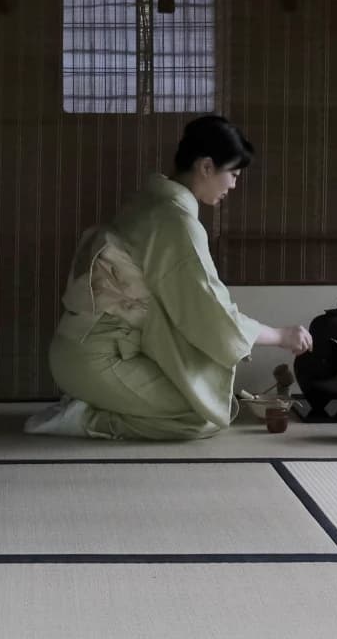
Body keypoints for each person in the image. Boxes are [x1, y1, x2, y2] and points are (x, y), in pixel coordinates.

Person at [24, 115, 313, 442]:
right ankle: (84, 417)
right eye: (232, 173)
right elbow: (209, 311)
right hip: (100, 357)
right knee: (199, 415)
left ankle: (92, 402)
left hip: (82, 349)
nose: (233, 185)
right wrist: (280, 335)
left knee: (210, 403)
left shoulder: (151, 202)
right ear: (206, 167)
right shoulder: (174, 221)